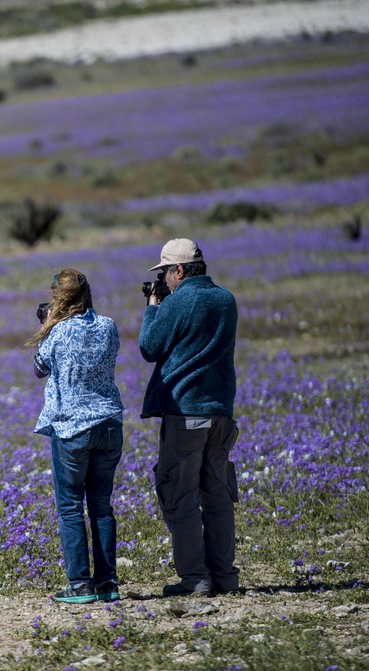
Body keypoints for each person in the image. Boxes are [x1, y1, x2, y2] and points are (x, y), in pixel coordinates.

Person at [139, 238, 240, 597]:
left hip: (185, 411)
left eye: (166, 272)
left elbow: (149, 347)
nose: (164, 279)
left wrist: (152, 308)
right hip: (220, 412)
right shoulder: (226, 299)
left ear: (178, 270)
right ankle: (225, 577)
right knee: (217, 497)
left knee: (180, 498)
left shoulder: (179, 300)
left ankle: (195, 579)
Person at [27, 268, 125, 604]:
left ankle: (81, 584)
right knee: (101, 506)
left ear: (58, 298)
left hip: (72, 428)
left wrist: (47, 325)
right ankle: (108, 582)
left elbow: (39, 368)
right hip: (109, 424)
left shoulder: (57, 333)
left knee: (70, 506)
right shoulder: (109, 325)